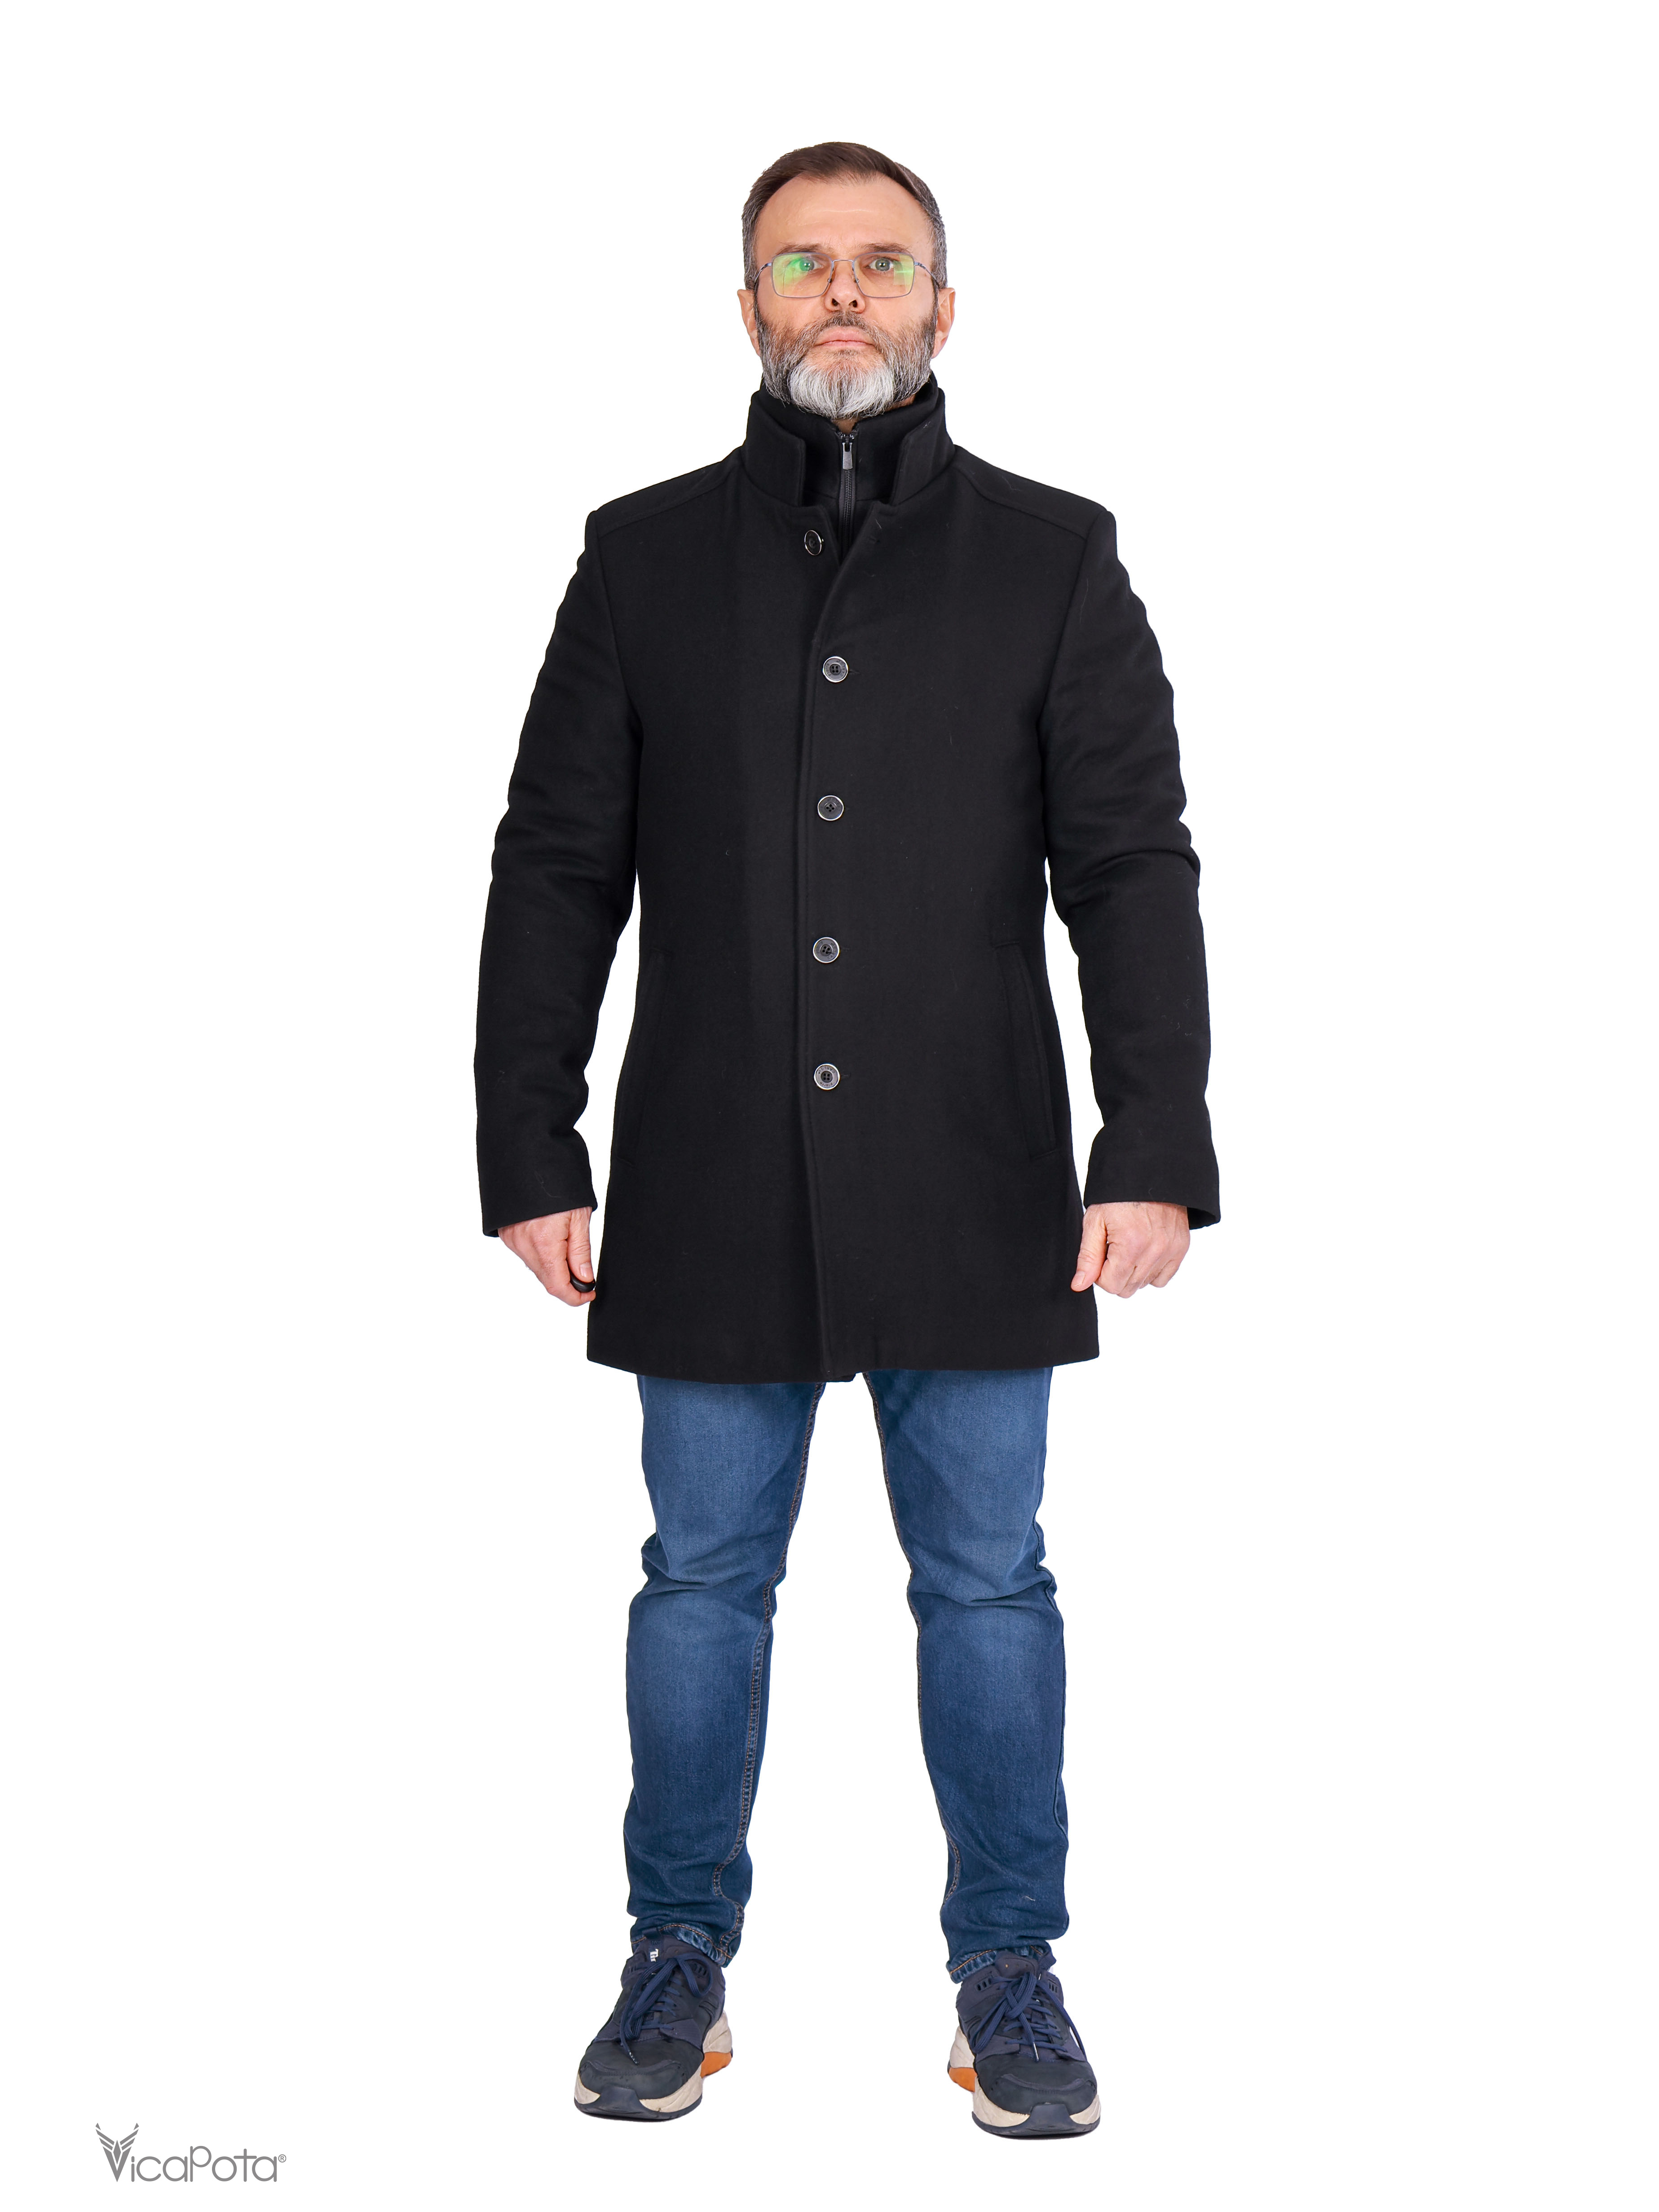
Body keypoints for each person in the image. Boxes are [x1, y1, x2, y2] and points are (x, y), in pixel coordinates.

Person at [475, 141, 1218, 2140]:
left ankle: (1010, 1971)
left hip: (978, 1170)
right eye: (801, 263)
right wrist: (529, 1134)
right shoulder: (638, 555)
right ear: (748, 308)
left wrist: (1152, 1130)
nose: (841, 294)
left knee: (988, 1584)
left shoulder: (1055, 555)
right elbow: (557, 864)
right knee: (699, 1579)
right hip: (709, 1164)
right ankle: (676, 1955)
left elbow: (1130, 865)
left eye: (882, 263)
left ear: (942, 307)